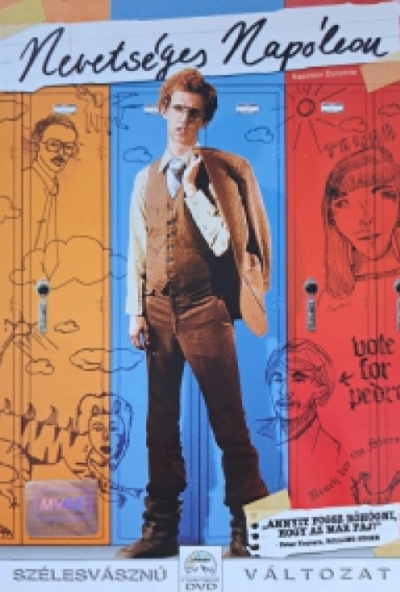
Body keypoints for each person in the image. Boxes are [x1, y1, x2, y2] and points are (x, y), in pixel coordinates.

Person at [117, 68, 271, 559]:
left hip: (207, 308)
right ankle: (161, 532)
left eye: (194, 113)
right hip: (159, 311)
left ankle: (249, 530)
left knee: (230, 425)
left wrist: (193, 187)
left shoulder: (221, 174)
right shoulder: (144, 179)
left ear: (204, 120)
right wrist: (135, 313)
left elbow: (228, 244)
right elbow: (137, 251)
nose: (184, 120)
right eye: (178, 109)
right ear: (163, 109)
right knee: (159, 427)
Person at [321, 146, 400, 302]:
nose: (366, 219)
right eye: (343, 203)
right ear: (331, 218)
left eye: (384, 194)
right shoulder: (328, 300)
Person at [259, 339, 340, 462]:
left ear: (321, 390)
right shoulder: (254, 432)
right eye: (278, 379)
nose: (284, 391)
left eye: (298, 379)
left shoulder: (332, 450)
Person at [23, 114, 79, 278]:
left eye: (68, 147)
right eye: (54, 144)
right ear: (37, 143)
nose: (61, 153)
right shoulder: (28, 183)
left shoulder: (53, 186)